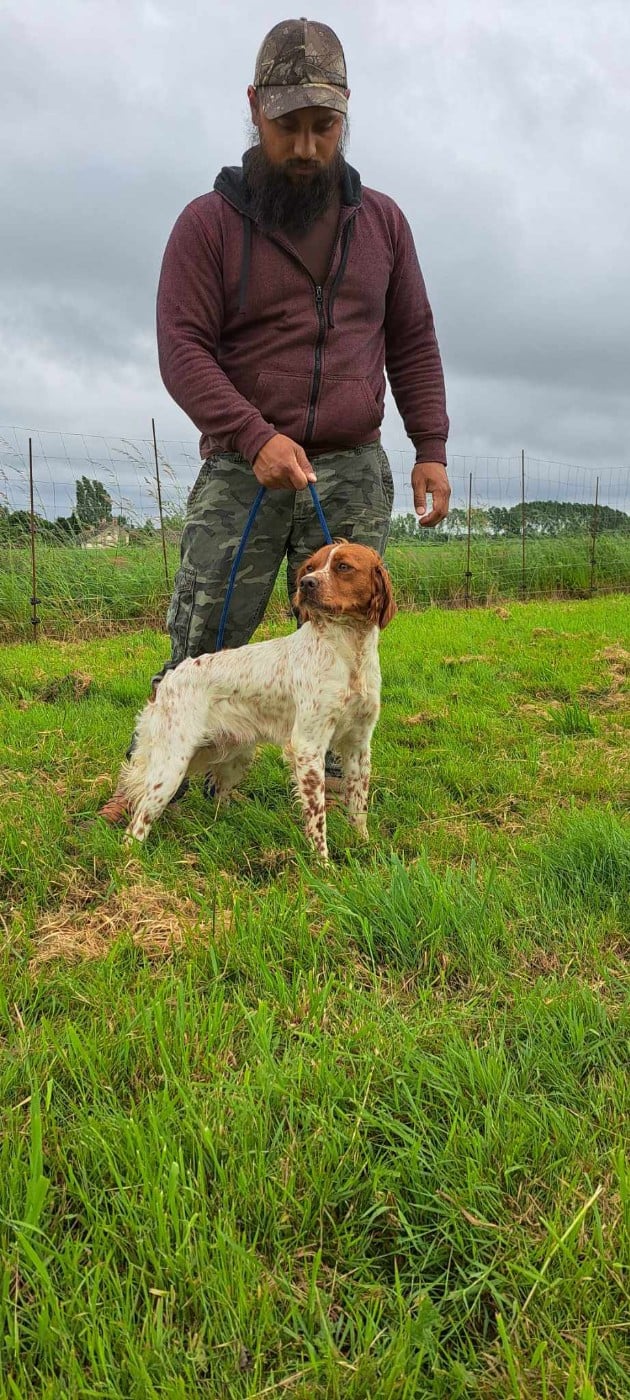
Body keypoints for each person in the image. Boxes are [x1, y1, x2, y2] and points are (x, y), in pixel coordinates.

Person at [109, 16, 450, 814]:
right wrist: (252, 434)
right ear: (254, 108)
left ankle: (331, 784)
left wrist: (429, 443)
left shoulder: (384, 224)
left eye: (323, 127)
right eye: (287, 125)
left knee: (343, 636)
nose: (304, 147)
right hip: (243, 465)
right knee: (206, 637)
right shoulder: (207, 225)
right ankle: (155, 777)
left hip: (352, 466)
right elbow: (182, 349)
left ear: (346, 115)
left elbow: (413, 337)